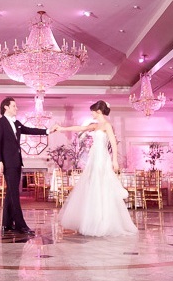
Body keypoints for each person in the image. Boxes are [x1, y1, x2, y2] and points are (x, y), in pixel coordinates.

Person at [55, 100, 138, 236]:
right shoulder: (95, 125)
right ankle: (93, 220)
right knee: (92, 184)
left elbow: (113, 143)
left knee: (102, 184)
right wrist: (62, 129)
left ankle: (104, 221)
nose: (91, 113)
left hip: (102, 158)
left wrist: (115, 161)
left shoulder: (107, 125)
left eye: (93, 111)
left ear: (98, 111)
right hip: (94, 157)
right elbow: (79, 128)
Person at [0, 97, 55, 236]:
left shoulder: (17, 123)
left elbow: (29, 130)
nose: (17, 108)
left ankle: (7, 224)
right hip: (7, 163)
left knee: (11, 193)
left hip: (16, 162)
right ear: (6, 107)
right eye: (14, 106)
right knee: (14, 193)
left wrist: (47, 131)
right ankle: (20, 225)